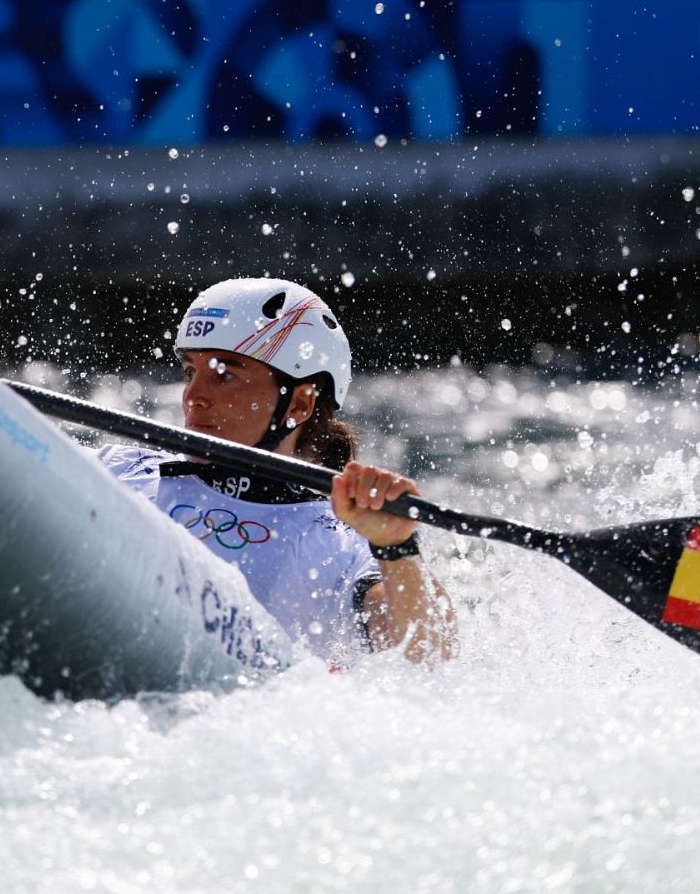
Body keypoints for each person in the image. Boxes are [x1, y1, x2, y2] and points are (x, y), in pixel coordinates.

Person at [97, 278, 456, 665]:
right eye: (190, 372)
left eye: (224, 375)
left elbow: (431, 659)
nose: (193, 396)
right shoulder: (120, 471)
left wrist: (396, 547)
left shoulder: (338, 545)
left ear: (299, 404)